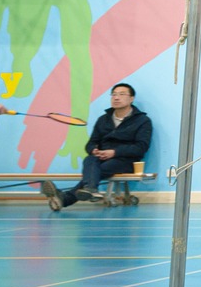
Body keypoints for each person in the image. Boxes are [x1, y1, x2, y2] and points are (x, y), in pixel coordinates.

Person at [41, 83, 151, 211]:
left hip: (126, 160)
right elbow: (91, 143)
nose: (116, 98)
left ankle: (72, 195)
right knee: (89, 159)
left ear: (131, 99)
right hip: (101, 158)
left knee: (101, 168)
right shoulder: (103, 120)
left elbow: (141, 147)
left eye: (121, 94)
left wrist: (114, 152)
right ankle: (89, 190)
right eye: (114, 94)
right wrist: (93, 150)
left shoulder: (143, 121)